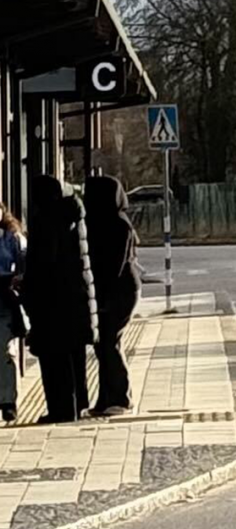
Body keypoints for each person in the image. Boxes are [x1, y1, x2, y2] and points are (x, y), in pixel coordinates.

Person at [19, 174, 96, 420]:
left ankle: (61, 409)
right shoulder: (74, 216)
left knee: (54, 359)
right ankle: (78, 404)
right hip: (75, 296)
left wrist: (28, 291)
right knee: (75, 355)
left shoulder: (47, 221)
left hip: (52, 301)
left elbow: (43, 264)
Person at [83, 176, 140, 414]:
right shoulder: (102, 221)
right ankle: (106, 398)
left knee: (109, 343)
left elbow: (114, 266)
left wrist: (104, 298)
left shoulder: (117, 224)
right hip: (110, 290)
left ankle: (120, 398)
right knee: (103, 344)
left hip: (119, 291)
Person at [0, 206, 24, 424]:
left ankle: (8, 402)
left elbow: (24, 265)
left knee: (6, 351)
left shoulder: (12, 236)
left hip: (4, 298)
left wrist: (17, 280)